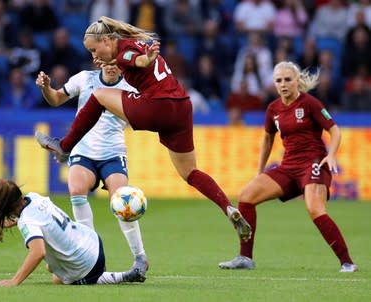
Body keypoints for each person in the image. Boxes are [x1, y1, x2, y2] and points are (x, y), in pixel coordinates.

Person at [34, 16, 252, 249]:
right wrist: (139, 59)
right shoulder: (130, 44)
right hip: (181, 108)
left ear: (107, 40)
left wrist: (145, 60)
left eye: (94, 50)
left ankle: (64, 146)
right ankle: (228, 207)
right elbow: (133, 59)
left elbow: (135, 60)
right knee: (190, 172)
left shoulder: (123, 53)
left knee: (98, 95)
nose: (93, 57)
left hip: (157, 106)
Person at [218, 61, 358, 273]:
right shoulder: (273, 109)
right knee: (246, 195)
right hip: (288, 167)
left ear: (297, 81)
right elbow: (267, 140)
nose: (283, 84)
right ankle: (245, 257)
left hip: (313, 163)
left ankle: (347, 262)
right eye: (279, 81)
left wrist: (331, 155)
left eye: (287, 80)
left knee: (314, 208)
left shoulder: (310, 103)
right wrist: (259, 171)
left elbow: (335, 130)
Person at [35, 64, 149, 275]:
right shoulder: (84, 78)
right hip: (83, 150)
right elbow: (56, 99)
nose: (112, 67)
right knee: (77, 191)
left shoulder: (130, 87)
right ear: (99, 61)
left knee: (122, 202)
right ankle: (92, 257)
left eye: (116, 63)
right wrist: (46, 88)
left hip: (113, 153)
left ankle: (140, 257)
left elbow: (141, 118)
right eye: (108, 63)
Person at [0, 179, 146, 286]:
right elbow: (42, 218)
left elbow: (38, 252)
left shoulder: (27, 221)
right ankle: (91, 269)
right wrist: (13, 222)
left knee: (58, 279)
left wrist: (15, 281)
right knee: (52, 268)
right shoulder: (34, 197)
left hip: (86, 261)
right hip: (92, 240)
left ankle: (125, 275)